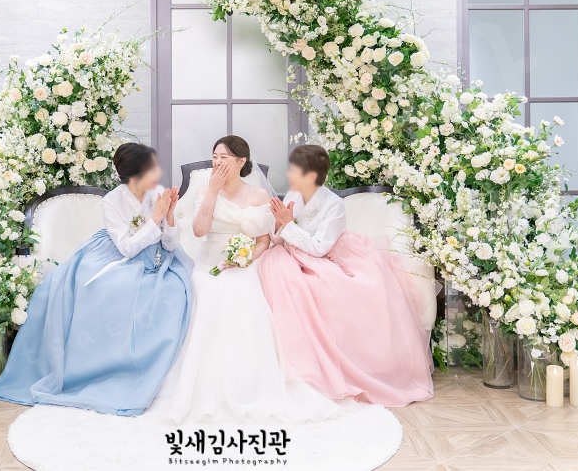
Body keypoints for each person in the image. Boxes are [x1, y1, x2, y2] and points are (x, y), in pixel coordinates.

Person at [0, 143, 192, 415]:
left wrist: (169, 216)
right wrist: (155, 218)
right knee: (109, 288)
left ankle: (155, 374)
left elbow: (170, 244)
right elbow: (127, 248)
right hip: (117, 256)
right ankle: (107, 371)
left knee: (174, 292)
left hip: (156, 259)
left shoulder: (157, 194)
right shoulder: (112, 201)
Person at [148, 135, 339, 423]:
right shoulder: (205, 190)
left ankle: (248, 383)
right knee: (205, 287)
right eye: (215, 157)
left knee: (243, 291)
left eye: (224, 157)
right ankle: (199, 385)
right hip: (210, 258)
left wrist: (246, 258)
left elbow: (264, 241)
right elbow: (199, 231)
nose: (217, 162)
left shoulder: (259, 195)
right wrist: (212, 191)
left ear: (241, 161)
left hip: (246, 259)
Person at [258, 145, 433, 406]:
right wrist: (279, 223)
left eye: (295, 170)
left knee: (329, 288)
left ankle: (332, 368)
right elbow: (279, 238)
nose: (290, 174)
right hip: (297, 253)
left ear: (311, 176)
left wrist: (288, 223)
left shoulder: (334, 205)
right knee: (276, 267)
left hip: (332, 256)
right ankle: (288, 364)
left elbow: (320, 248)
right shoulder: (293, 195)